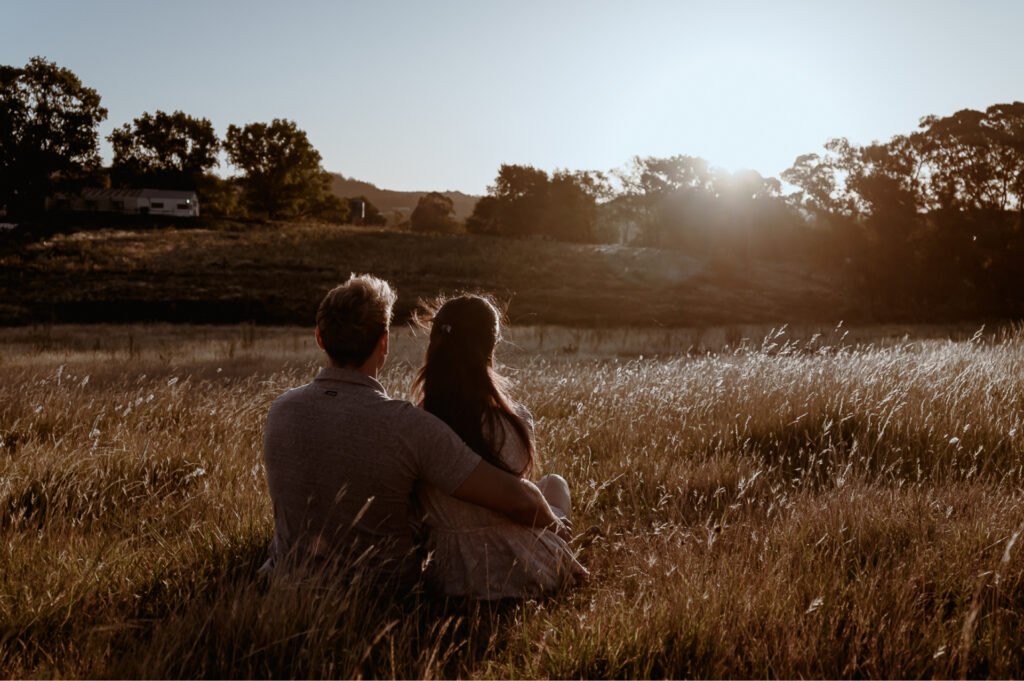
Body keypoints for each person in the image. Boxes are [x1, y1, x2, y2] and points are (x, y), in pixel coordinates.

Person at [261, 274, 569, 590]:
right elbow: (517, 499)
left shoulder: (281, 410)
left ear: (320, 338)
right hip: (381, 593)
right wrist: (560, 534)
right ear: (385, 342)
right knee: (552, 490)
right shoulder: (407, 426)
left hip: (287, 581)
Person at [413, 294, 586, 599]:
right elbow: (519, 500)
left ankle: (559, 547)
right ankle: (560, 554)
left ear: (435, 344)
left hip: (450, 570)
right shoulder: (514, 420)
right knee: (554, 485)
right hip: (520, 563)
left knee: (549, 488)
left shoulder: (416, 421)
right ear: (489, 349)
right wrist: (556, 528)